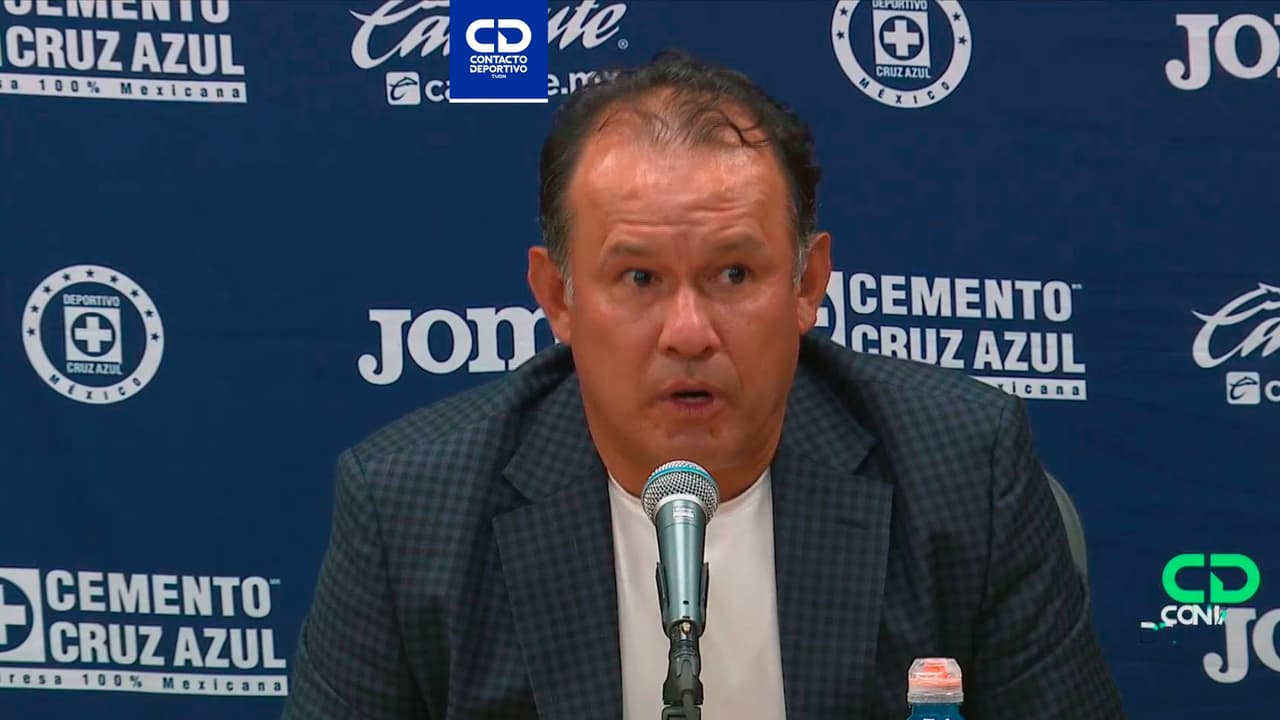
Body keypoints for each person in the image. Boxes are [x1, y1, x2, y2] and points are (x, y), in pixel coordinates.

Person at [282, 50, 1125, 719]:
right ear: (557, 297)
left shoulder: (961, 473)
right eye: (639, 279)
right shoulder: (412, 511)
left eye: (732, 274)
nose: (688, 331)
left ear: (807, 284)